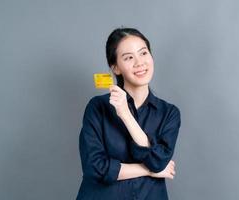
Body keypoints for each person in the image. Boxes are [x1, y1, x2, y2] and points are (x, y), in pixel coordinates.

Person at [76, 27, 181, 200]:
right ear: (116, 68)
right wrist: (150, 170)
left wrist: (125, 114)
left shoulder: (169, 113)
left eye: (143, 53)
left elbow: (158, 161)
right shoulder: (97, 107)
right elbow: (94, 168)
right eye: (129, 57)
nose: (139, 62)